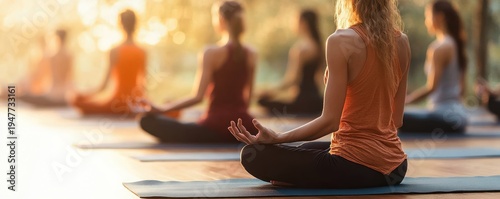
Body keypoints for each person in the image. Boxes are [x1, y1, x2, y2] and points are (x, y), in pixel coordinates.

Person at [228, 0, 410, 188]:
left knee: (254, 155)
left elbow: (330, 122)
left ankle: (300, 176)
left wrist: (277, 137)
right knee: (302, 149)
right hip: (396, 167)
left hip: (355, 167)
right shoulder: (401, 41)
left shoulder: (341, 40)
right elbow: (396, 121)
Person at [139, 1, 258, 144]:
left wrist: (161, 109)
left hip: (214, 127)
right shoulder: (252, 53)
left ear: (220, 20)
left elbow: (198, 97)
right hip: (244, 128)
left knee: (146, 121)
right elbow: (248, 100)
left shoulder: (211, 53)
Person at [401, 0, 468, 133]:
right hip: (458, 116)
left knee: (395, 117)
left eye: (428, 16)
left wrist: (405, 102)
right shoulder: (456, 45)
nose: (426, 21)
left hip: (444, 117)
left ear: (440, 16)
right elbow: (462, 91)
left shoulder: (439, 48)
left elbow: (431, 87)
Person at [69, 9, 146, 116]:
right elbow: (143, 85)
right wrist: (147, 103)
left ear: (121, 25)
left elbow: (104, 86)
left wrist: (86, 95)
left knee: (77, 100)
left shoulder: (115, 51)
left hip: (117, 102)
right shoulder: (142, 51)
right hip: (135, 103)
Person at [258, 10, 324, 116]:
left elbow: (292, 80)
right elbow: (319, 78)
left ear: (303, 23)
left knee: (261, 101)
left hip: (302, 102)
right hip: (316, 100)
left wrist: (269, 91)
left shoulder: (301, 50)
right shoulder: (318, 46)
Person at [18, 29, 73, 107]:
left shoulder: (53, 56)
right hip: (66, 93)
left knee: (23, 93)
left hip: (53, 93)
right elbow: (70, 76)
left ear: (57, 38)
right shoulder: (70, 55)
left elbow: (41, 76)